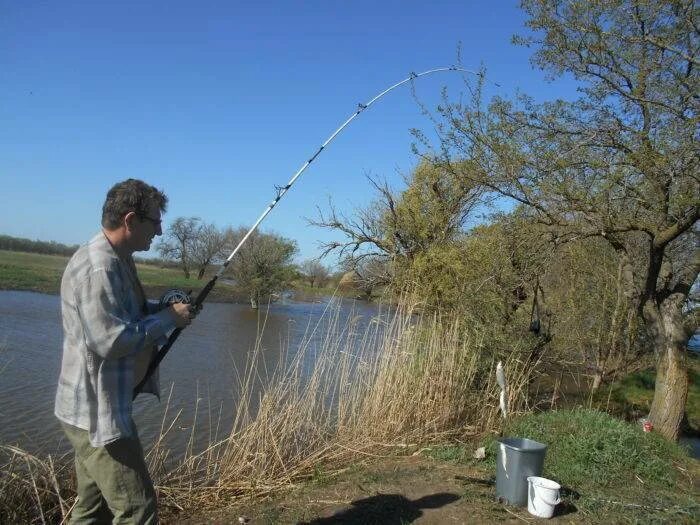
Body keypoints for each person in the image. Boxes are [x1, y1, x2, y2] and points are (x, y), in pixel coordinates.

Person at [55, 179, 195, 524]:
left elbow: (122, 313)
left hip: (94, 407)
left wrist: (163, 308)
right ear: (130, 220)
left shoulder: (117, 257)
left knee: (92, 509)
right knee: (137, 509)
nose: (160, 231)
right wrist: (166, 320)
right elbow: (110, 341)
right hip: (96, 414)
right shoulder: (99, 268)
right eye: (155, 221)